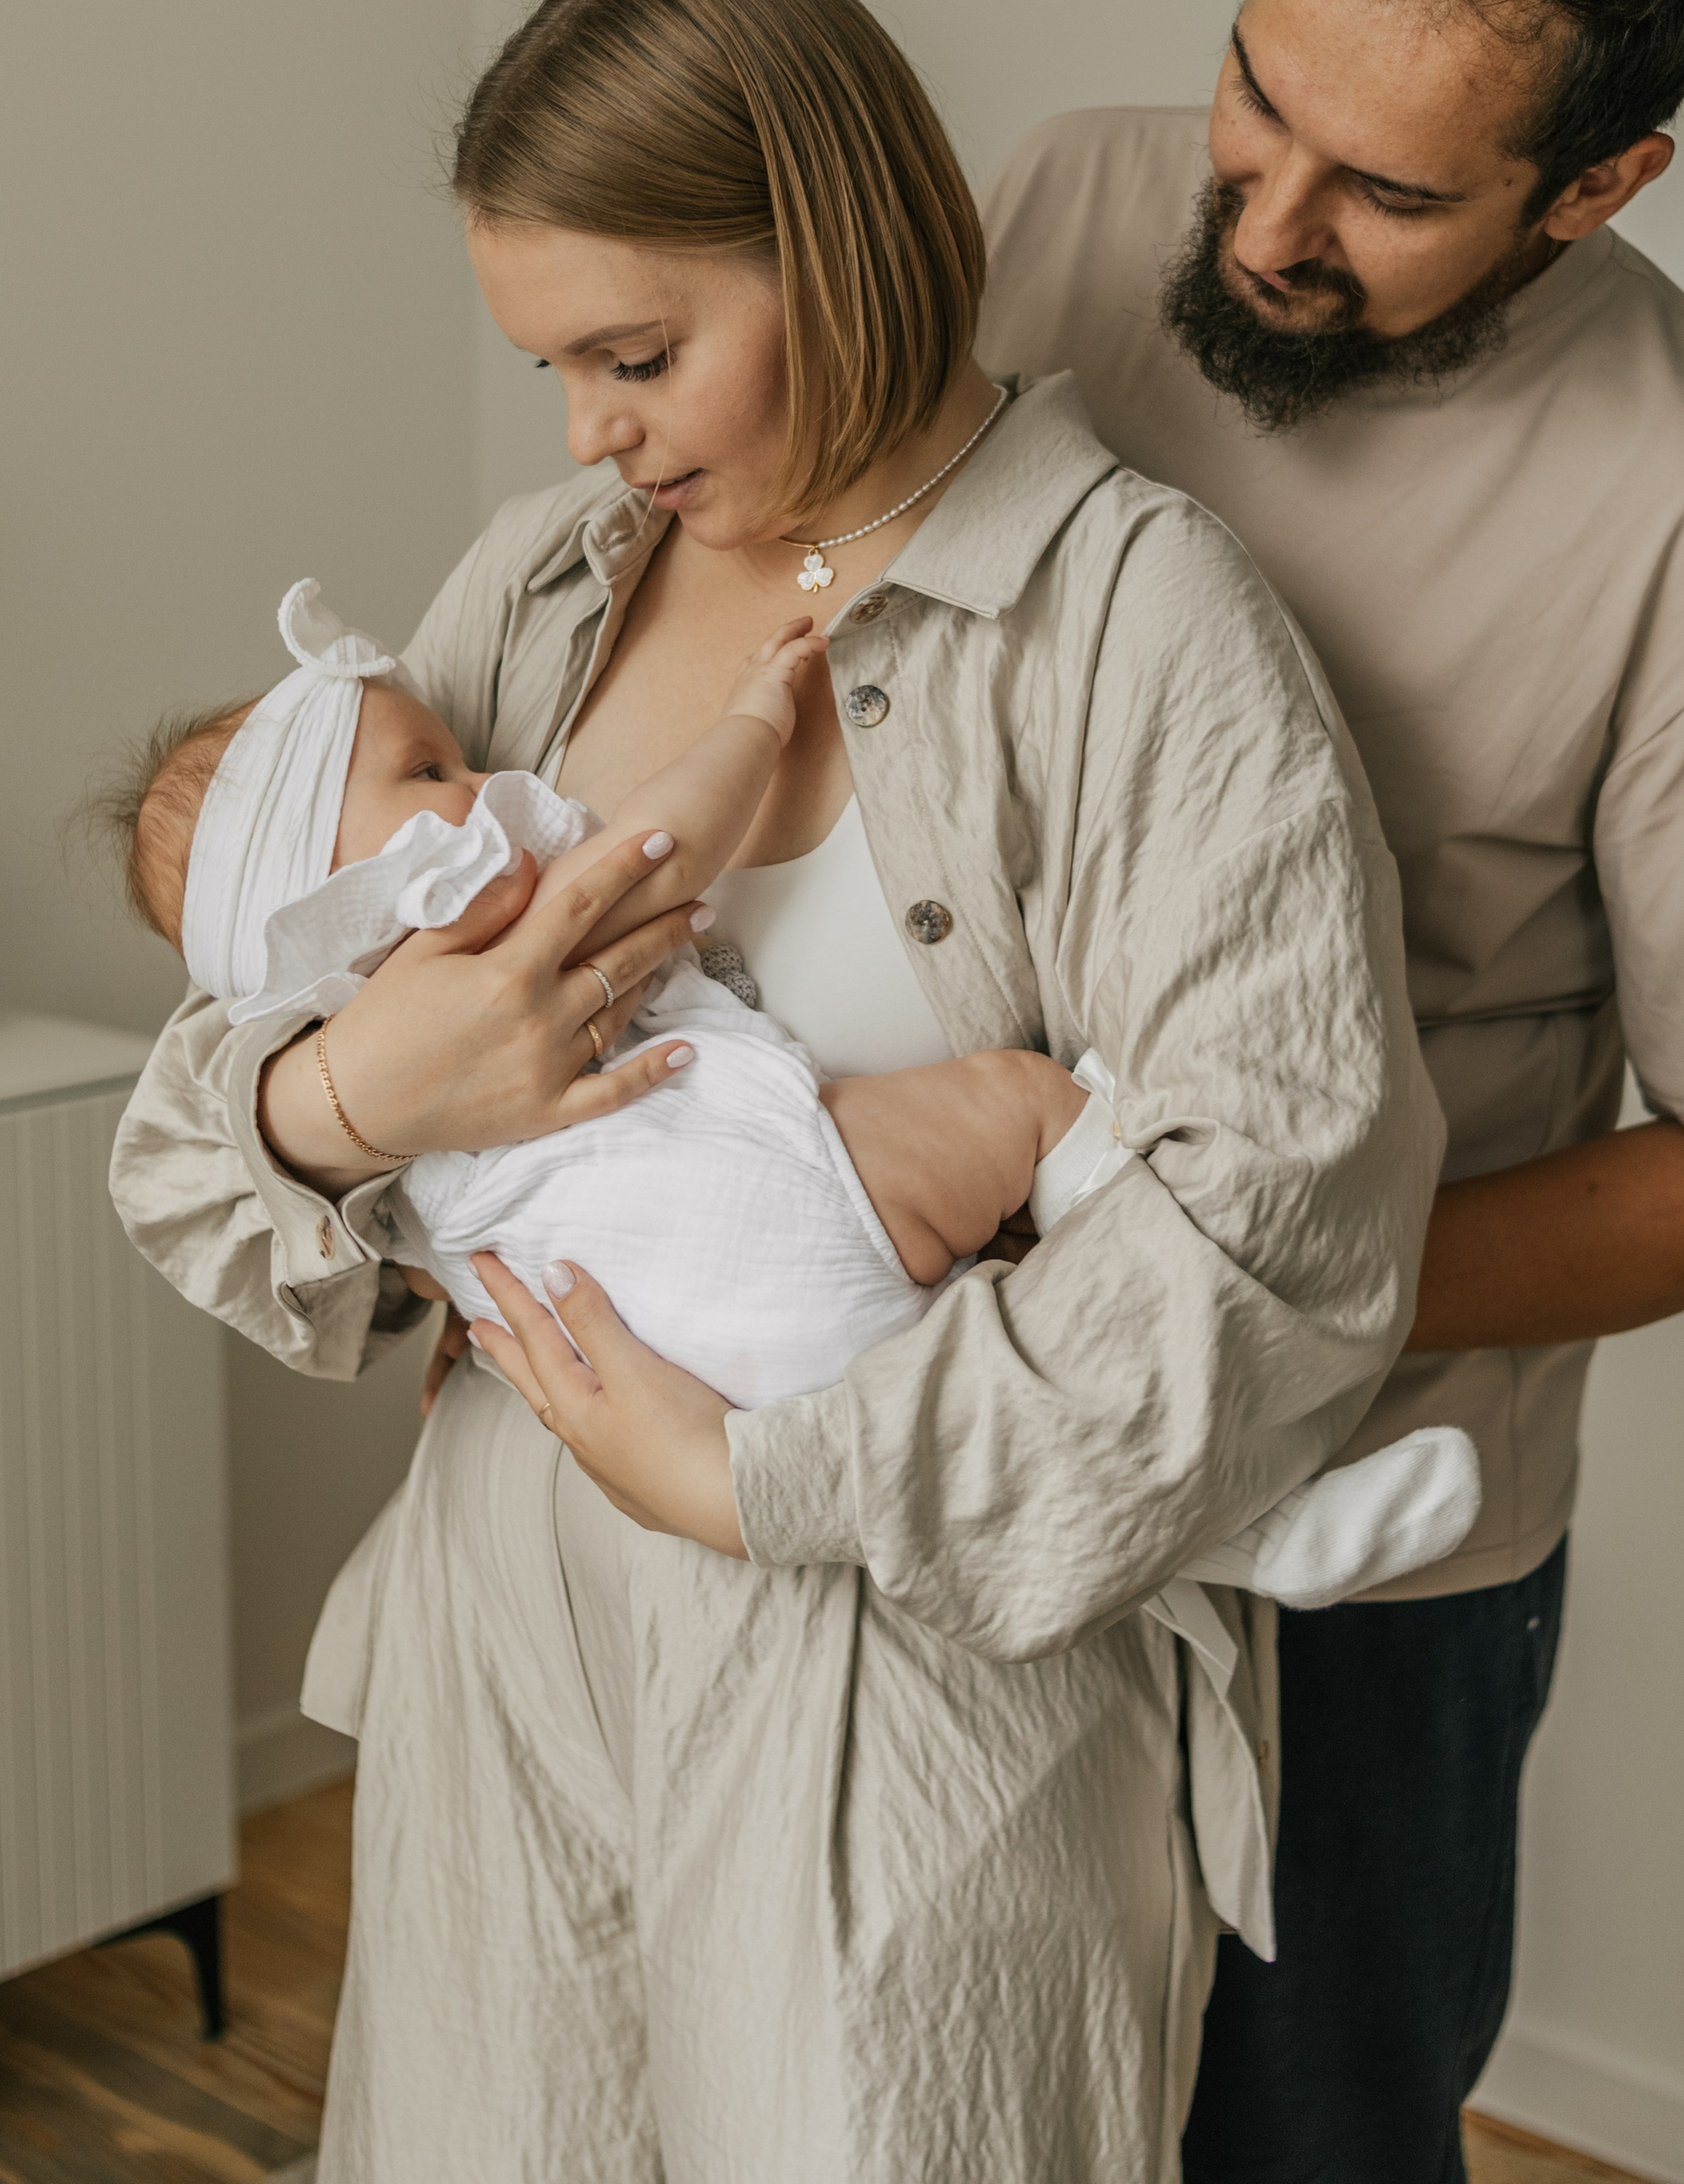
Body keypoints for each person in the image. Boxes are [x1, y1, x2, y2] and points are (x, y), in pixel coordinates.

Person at [110, 0, 1446, 2183]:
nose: (589, 430)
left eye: (636, 349)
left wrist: (755, 1482)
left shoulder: (1136, 620)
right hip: (512, 1641)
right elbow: (206, 1113)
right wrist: (362, 1103)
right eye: (551, 365)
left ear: (837, 238)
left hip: (911, 1677)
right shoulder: (545, 581)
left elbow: (1275, 1223)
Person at [977, 0, 1684, 2184]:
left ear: (1600, 180)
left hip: (1349, 1571)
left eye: (1386, 191)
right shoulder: (1050, 213)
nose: (1268, 219)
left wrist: (1250, 1288)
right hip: (930, 1437)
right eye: (1255, 93)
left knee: (1297, 2148)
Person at [110, 576, 1477, 1595]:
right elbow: (668, 844)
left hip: (632, 1359)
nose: (484, 771)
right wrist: (756, 721)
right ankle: (1208, 1444)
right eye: (427, 769)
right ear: (332, 887)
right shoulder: (473, 920)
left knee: (973, 1367)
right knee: (1022, 1102)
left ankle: (1228, 1537)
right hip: (774, 1224)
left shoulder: (308, 1020)